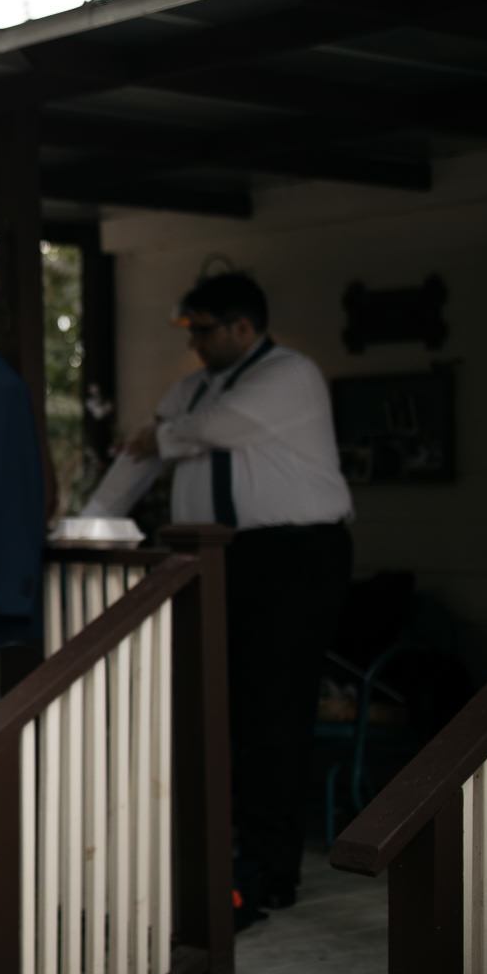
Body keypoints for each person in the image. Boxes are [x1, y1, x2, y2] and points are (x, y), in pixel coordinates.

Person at [83, 272, 353, 920]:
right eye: (190, 331)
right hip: (211, 558)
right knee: (212, 707)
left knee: (273, 711)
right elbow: (140, 454)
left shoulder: (290, 374)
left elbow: (211, 429)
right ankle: (215, 855)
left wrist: (160, 435)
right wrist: (88, 522)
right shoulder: (191, 389)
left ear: (242, 326)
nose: (195, 344)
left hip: (292, 556)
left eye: (204, 330)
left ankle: (269, 870)